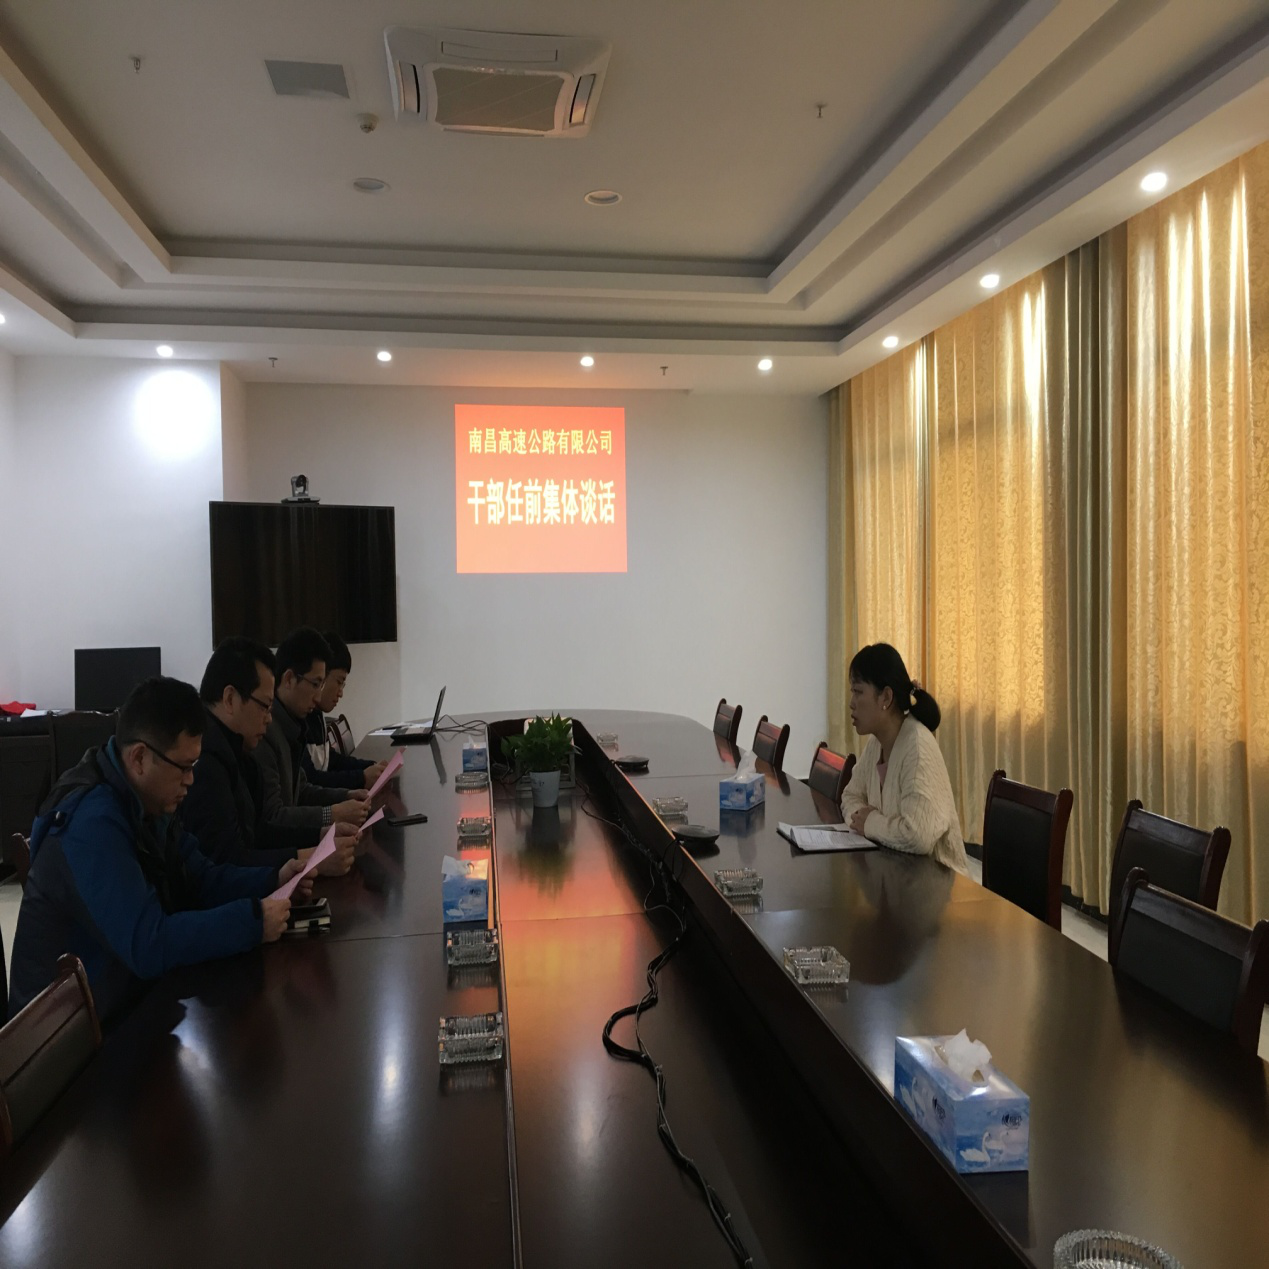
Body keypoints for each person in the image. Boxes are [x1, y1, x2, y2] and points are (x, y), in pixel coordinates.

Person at [7, 677, 313, 1022]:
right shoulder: (90, 823)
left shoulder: (146, 799)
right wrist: (251, 922)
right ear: (139, 757)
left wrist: (273, 879)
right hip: (69, 1036)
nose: (191, 780)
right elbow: (147, 944)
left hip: (125, 1000)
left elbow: (200, 877)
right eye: (184, 767)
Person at [184, 637, 357, 874]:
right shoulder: (204, 762)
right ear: (230, 699)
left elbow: (259, 831)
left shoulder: (236, 749)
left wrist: (321, 834)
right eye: (264, 706)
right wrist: (312, 857)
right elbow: (228, 861)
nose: (268, 718)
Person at [840, 643, 968, 874]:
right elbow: (850, 795)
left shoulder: (917, 746)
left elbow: (918, 835)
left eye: (858, 692)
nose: (851, 702)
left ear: (886, 697)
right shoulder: (877, 742)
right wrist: (861, 820)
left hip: (939, 884)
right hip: (895, 873)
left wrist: (870, 823)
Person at [254, 627, 368, 832]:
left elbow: (302, 790)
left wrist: (346, 795)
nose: (317, 697)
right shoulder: (265, 732)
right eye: (315, 684)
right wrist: (332, 814)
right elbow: (273, 817)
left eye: (321, 685)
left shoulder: (291, 724)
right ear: (289, 679)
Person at [301, 631, 386, 792]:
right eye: (339, 682)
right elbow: (311, 780)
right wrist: (361, 777)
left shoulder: (316, 716)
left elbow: (330, 760)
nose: (340, 693)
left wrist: (370, 767)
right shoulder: (298, 722)